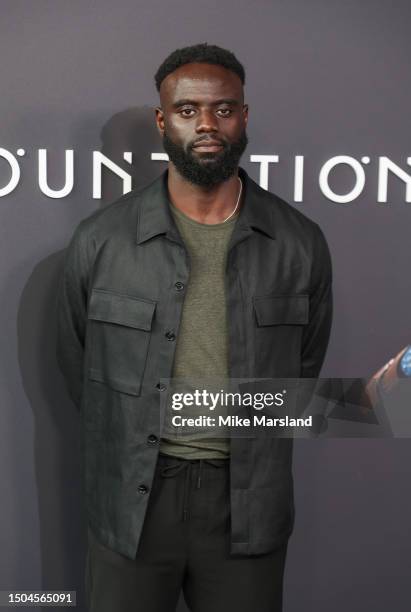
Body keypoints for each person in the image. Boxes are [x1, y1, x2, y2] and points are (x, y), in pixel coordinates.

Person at [56, 42, 333, 612]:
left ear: (244, 116)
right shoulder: (100, 241)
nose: (207, 123)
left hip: (246, 505)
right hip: (133, 502)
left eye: (223, 109)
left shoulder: (300, 244)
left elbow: (303, 368)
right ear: (163, 120)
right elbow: (79, 367)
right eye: (187, 110)